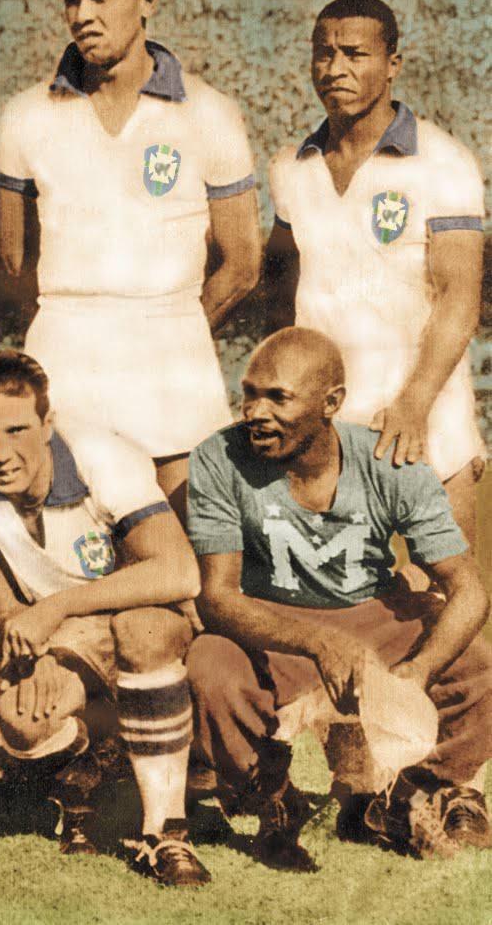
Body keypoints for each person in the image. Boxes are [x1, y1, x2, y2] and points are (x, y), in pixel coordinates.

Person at [186, 327, 492, 867]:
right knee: (211, 668)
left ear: (331, 403)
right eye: (250, 394)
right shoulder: (219, 457)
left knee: (475, 662)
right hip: (273, 621)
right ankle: (274, 796)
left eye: (278, 398)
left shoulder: (387, 461)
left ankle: (416, 791)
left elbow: (468, 589)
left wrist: (419, 670)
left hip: (373, 613)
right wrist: (318, 642)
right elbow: (218, 597)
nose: (256, 412)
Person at [0, 0, 261, 515]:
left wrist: (169, 324)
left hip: (171, 361)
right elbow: (12, 256)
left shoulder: (210, 113)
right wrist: (71, 314)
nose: (83, 14)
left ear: (147, 0)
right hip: (67, 353)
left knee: (191, 545)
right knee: (72, 541)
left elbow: (243, 264)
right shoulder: (25, 116)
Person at [0, 351, 209, 885]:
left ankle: (165, 832)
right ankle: (83, 762)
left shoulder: (100, 457)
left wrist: (55, 609)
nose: (1, 453)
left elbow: (179, 572)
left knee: (143, 630)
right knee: (22, 720)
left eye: (17, 430)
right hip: (63, 630)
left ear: (48, 423)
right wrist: (36, 645)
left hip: (137, 617)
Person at [266, 0, 486, 546]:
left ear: (393, 65)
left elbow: (460, 301)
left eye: (355, 54)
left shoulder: (443, 163)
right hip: (330, 433)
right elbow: (281, 294)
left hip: (424, 422)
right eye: (324, 53)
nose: (335, 68)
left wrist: (413, 405)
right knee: (343, 596)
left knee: (446, 591)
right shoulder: (292, 168)